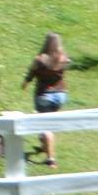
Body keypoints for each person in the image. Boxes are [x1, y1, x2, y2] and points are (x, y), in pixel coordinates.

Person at [22, 33, 70, 168]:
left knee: (45, 126)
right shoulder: (63, 58)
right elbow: (67, 64)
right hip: (61, 95)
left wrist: (25, 82)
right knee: (47, 121)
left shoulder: (40, 60)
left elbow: (31, 73)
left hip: (44, 96)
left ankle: (51, 159)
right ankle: (44, 147)